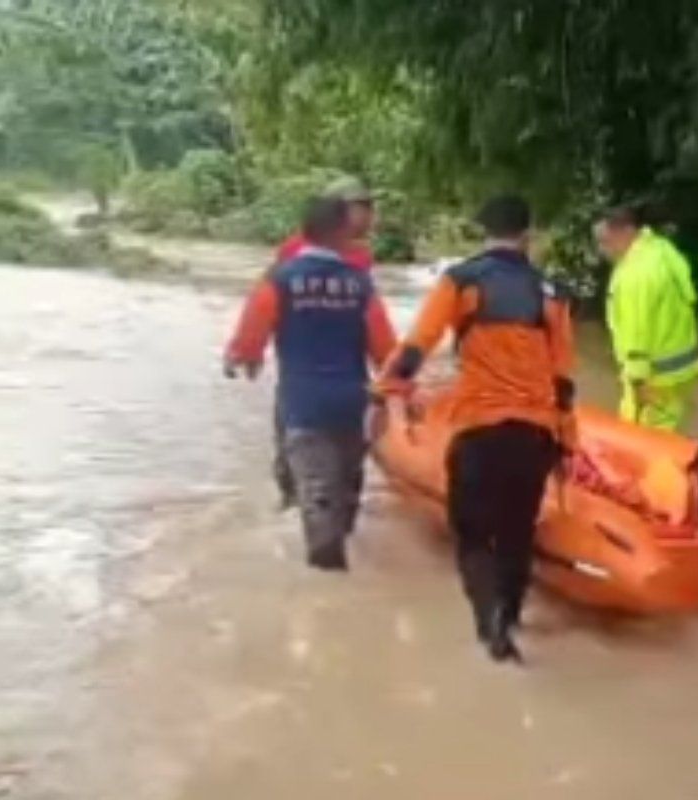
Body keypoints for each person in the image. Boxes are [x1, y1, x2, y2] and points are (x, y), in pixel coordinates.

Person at [374, 195, 575, 663]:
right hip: (535, 431)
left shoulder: (461, 281)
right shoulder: (553, 294)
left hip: (480, 427)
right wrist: (568, 441)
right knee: (517, 531)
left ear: (483, 230)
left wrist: (386, 385)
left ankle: (490, 627)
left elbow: (418, 344)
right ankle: (511, 616)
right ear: (530, 233)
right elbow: (564, 377)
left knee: (471, 534)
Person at [224, 197, 397, 571]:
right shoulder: (360, 285)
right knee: (347, 497)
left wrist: (240, 356)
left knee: (318, 501)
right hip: (354, 406)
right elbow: (386, 351)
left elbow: (251, 335)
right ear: (343, 232)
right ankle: (348, 592)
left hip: (303, 407)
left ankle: (328, 597)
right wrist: (402, 395)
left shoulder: (281, 278)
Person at [269, 177, 377, 508]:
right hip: (303, 371)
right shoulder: (292, 252)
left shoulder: (361, 257)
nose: (371, 217)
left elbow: (369, 314)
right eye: (363, 209)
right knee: (295, 442)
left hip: (346, 369)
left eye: (370, 209)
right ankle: (291, 496)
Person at [595, 206, 698, 431]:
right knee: (670, 429)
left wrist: (637, 381)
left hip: (655, 375)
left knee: (640, 441)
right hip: (681, 369)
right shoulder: (662, 250)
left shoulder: (634, 274)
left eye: (605, 241)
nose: (603, 249)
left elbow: (635, 331)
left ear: (623, 232)